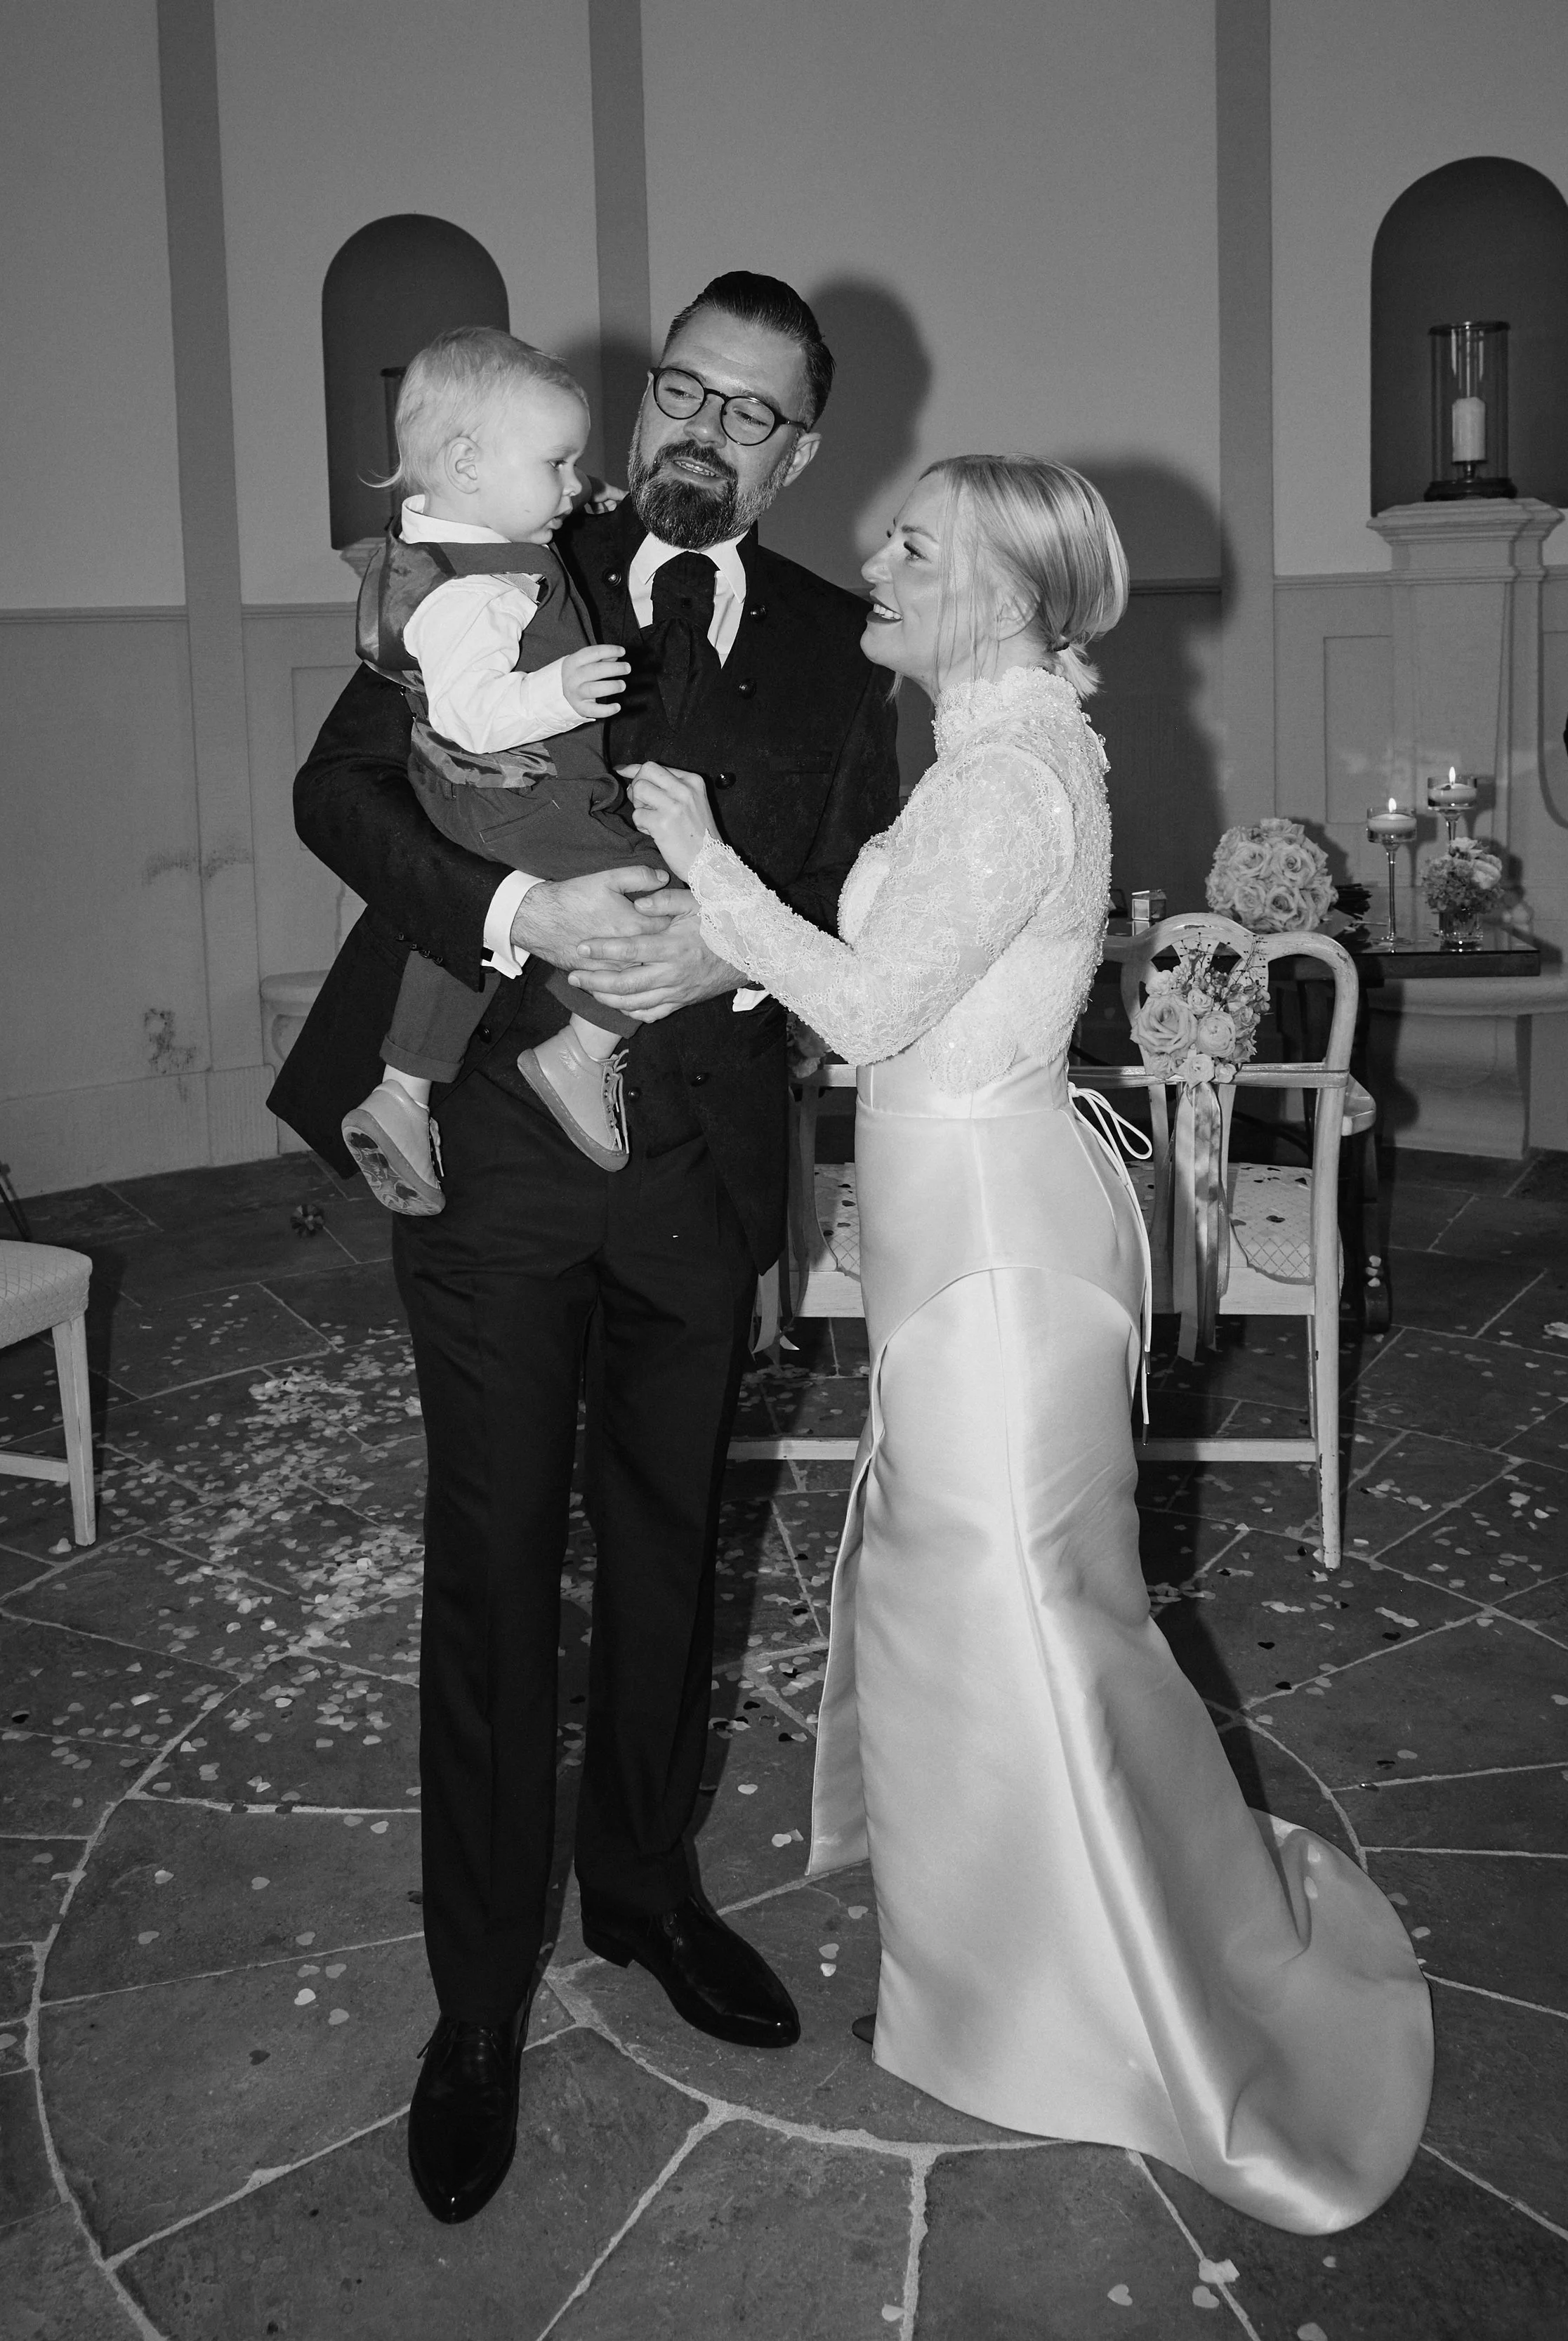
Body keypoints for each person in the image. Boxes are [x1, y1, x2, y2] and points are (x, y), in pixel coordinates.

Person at [626, 454, 1434, 2236]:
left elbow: (870, 1006)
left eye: (911, 546)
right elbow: (909, 970)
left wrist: (698, 860)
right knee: (1006, 1616)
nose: (871, 563)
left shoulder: (1001, 779)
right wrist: (737, 940)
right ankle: (1013, 1964)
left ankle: (1085, 2011)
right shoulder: (1000, 756)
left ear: (996, 594)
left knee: (1004, 1618)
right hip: (971, 1244)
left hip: (990, 1270)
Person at [267, 273, 900, 2224]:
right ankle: (474, 2001)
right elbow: (340, 792)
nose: (706, 429)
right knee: (490, 1562)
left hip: (702, 1162)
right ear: (639, 412)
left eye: (754, 411)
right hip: (498, 1160)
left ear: (798, 449)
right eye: (683, 392)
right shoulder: (499, 545)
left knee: (662, 1544)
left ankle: (636, 1888)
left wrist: (733, 940)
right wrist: (521, 914)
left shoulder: (832, 644)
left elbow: (863, 881)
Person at [341, 326, 664, 1205]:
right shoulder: (475, 588)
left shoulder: (460, 548)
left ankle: (402, 1094)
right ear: (469, 463)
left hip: (470, 805)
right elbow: (471, 713)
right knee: (662, 906)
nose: (576, 484)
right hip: (524, 796)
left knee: (460, 946)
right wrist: (560, 690)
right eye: (557, 464)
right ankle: (578, 1053)